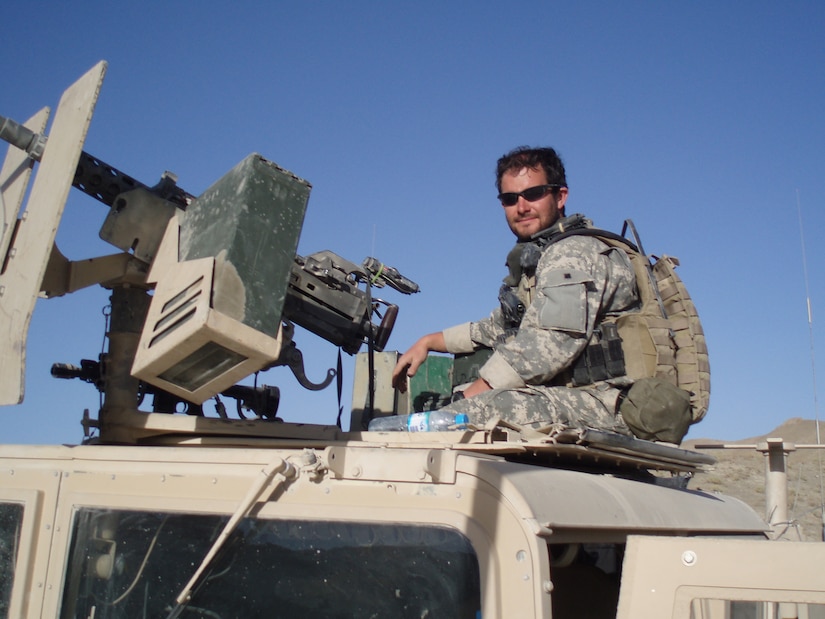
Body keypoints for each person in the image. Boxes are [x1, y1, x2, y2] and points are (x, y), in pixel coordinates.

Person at [391, 146, 640, 434]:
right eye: (510, 199)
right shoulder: (542, 257)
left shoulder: (574, 253)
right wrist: (429, 341)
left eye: (533, 194)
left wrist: (469, 396)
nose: (522, 207)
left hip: (609, 404)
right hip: (578, 399)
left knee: (463, 416)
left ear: (560, 197)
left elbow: (546, 346)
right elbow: (497, 327)